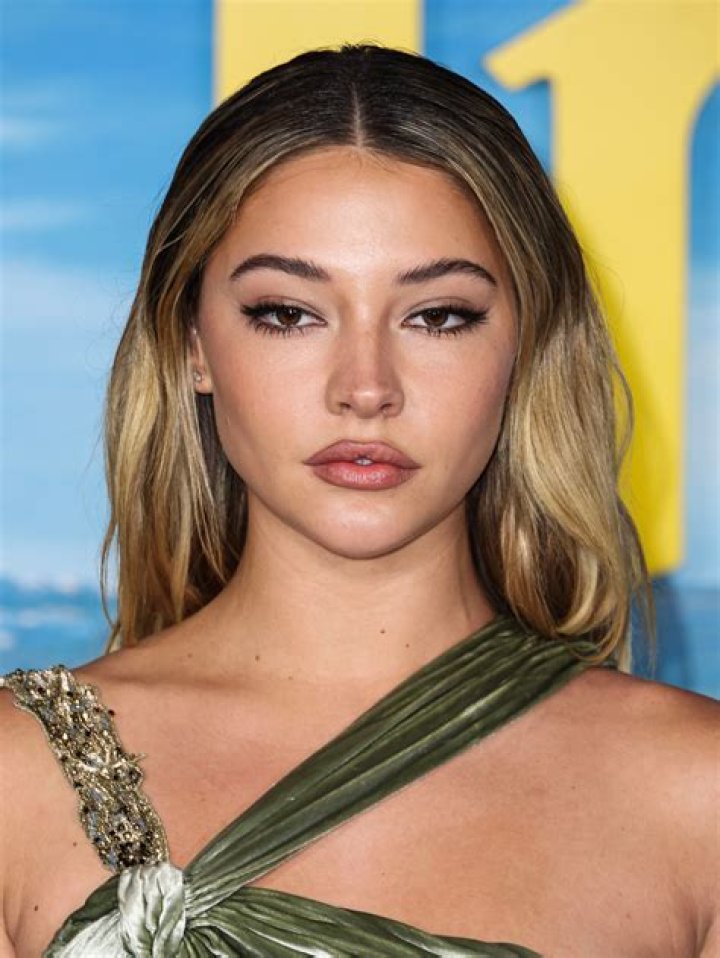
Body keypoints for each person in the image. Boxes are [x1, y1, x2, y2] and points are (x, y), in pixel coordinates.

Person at [0, 43, 716, 958]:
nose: (366, 388)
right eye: (288, 313)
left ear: (526, 344)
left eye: (439, 316)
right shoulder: (17, 782)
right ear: (192, 344)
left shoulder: (697, 796)